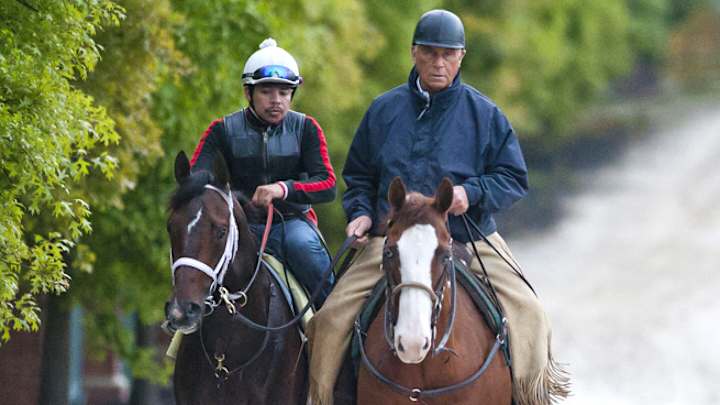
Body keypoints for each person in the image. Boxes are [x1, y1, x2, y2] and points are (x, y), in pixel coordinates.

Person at [306, 10, 569, 405]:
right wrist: (359, 212)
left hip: (466, 235)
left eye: (448, 54)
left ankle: (530, 398)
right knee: (326, 320)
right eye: (429, 53)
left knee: (530, 312)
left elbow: (514, 178)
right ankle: (321, 398)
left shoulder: (486, 115)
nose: (438, 62)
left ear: (461, 56)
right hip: (392, 237)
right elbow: (358, 175)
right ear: (414, 53)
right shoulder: (383, 111)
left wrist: (473, 193)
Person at [189, 38, 336, 308]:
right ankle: (183, 324)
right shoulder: (221, 130)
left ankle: (335, 331)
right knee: (196, 262)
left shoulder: (307, 129)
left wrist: (283, 189)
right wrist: (227, 201)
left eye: (284, 92)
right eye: (267, 92)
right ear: (248, 92)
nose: (276, 101)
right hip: (238, 226)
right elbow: (194, 181)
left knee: (310, 255)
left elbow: (327, 184)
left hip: (292, 225)